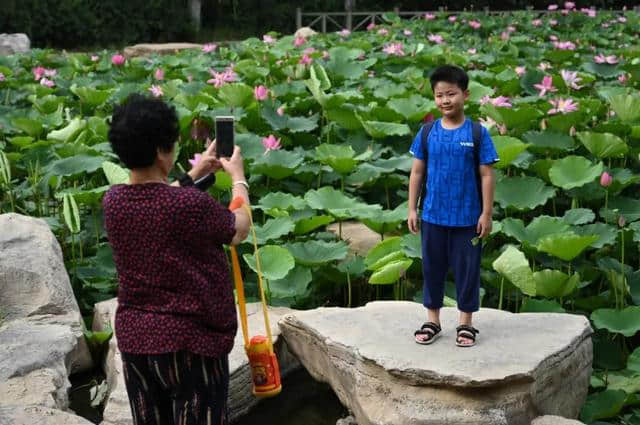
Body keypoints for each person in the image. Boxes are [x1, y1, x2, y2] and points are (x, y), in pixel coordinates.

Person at [103, 94, 250, 425]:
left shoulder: (113, 202)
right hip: (191, 346)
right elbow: (238, 228)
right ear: (159, 150)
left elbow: (158, 196)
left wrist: (193, 173)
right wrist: (238, 178)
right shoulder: (188, 206)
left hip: (137, 342)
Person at [407, 65, 499, 347]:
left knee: (467, 271)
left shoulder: (478, 133)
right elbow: (417, 172)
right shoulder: (427, 132)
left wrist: (486, 212)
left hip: (467, 218)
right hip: (433, 214)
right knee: (432, 268)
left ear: (465, 94)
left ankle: (465, 323)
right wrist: (412, 208)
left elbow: (486, 175)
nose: (445, 100)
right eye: (439, 95)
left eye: (451, 94)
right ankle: (432, 320)